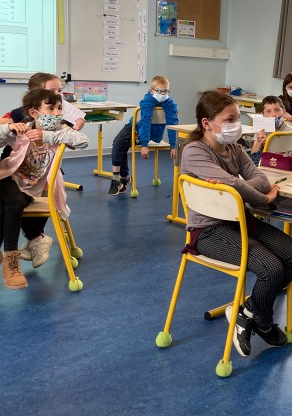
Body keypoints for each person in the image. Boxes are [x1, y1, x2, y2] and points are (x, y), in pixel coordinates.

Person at [180, 91, 292, 357]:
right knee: (271, 269)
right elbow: (248, 185)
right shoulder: (193, 151)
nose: (236, 124)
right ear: (207, 123)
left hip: (240, 221)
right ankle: (262, 321)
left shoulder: (235, 149)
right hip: (208, 231)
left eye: (237, 118)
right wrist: (262, 197)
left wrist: (235, 189)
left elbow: (257, 176)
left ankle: (246, 313)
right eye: (230, 119)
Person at [0, 88, 89, 289]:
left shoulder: (58, 132)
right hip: (5, 178)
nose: (57, 113)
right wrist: (9, 129)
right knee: (14, 203)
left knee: (14, 202)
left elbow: (83, 141)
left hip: (28, 189)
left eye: (59, 108)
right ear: (34, 112)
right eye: (51, 108)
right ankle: (11, 262)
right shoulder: (22, 131)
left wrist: (47, 136)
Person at [108, 76, 179, 196]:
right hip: (135, 127)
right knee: (119, 143)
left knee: (122, 144)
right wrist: (144, 144)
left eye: (166, 91)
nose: (163, 94)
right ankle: (118, 178)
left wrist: (173, 146)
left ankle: (123, 178)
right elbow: (144, 122)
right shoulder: (146, 101)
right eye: (160, 91)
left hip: (153, 132)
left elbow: (173, 124)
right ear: (152, 91)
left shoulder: (171, 104)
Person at [250, 95, 292, 164]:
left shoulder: (288, 130)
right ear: (263, 115)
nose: (274, 114)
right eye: (268, 111)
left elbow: (281, 156)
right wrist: (259, 141)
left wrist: (268, 142)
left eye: (277, 110)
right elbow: (254, 153)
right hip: (262, 162)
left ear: (284, 112)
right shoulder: (262, 128)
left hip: (280, 162)